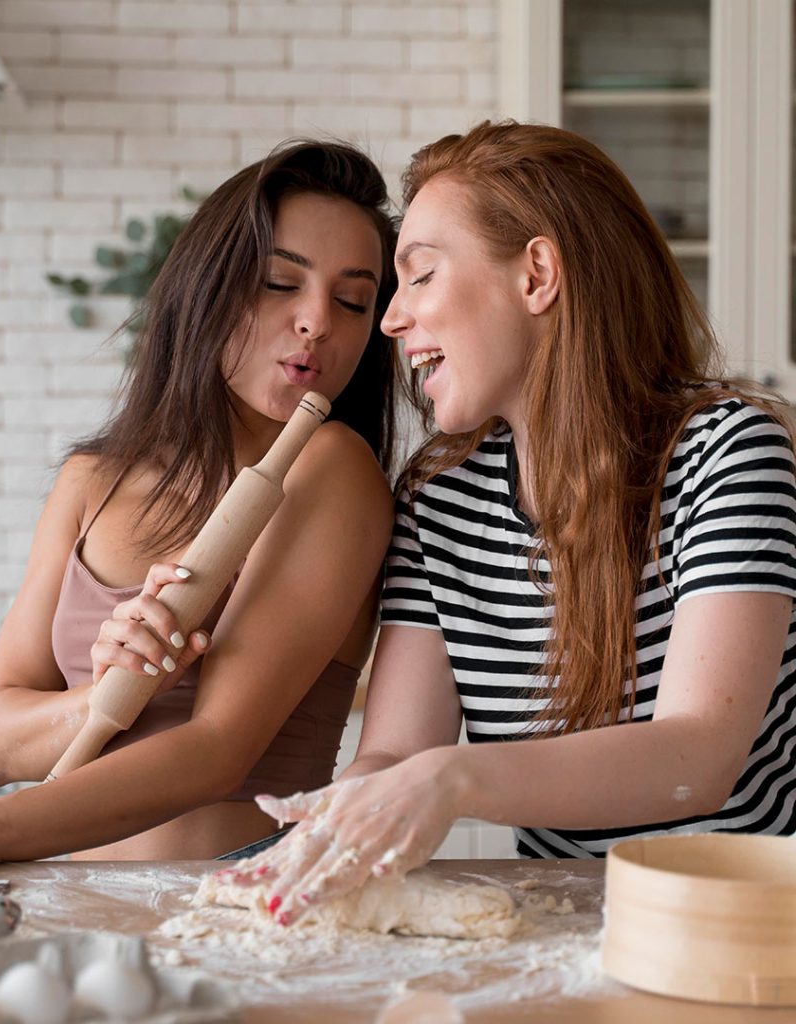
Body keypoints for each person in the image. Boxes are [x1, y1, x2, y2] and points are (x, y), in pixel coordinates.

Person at [0, 140, 401, 897]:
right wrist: (103, 692)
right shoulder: (91, 480)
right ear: (210, 286)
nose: (315, 322)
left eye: (352, 300)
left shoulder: (332, 470)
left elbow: (215, 750)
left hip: (234, 903)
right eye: (281, 282)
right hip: (72, 896)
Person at [219, 120, 796, 927]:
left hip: (744, 932)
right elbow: (397, 751)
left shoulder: (727, 453)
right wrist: (335, 826)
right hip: (563, 932)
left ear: (536, 275)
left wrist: (455, 778)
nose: (390, 319)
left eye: (418, 276)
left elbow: (697, 753)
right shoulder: (439, 500)